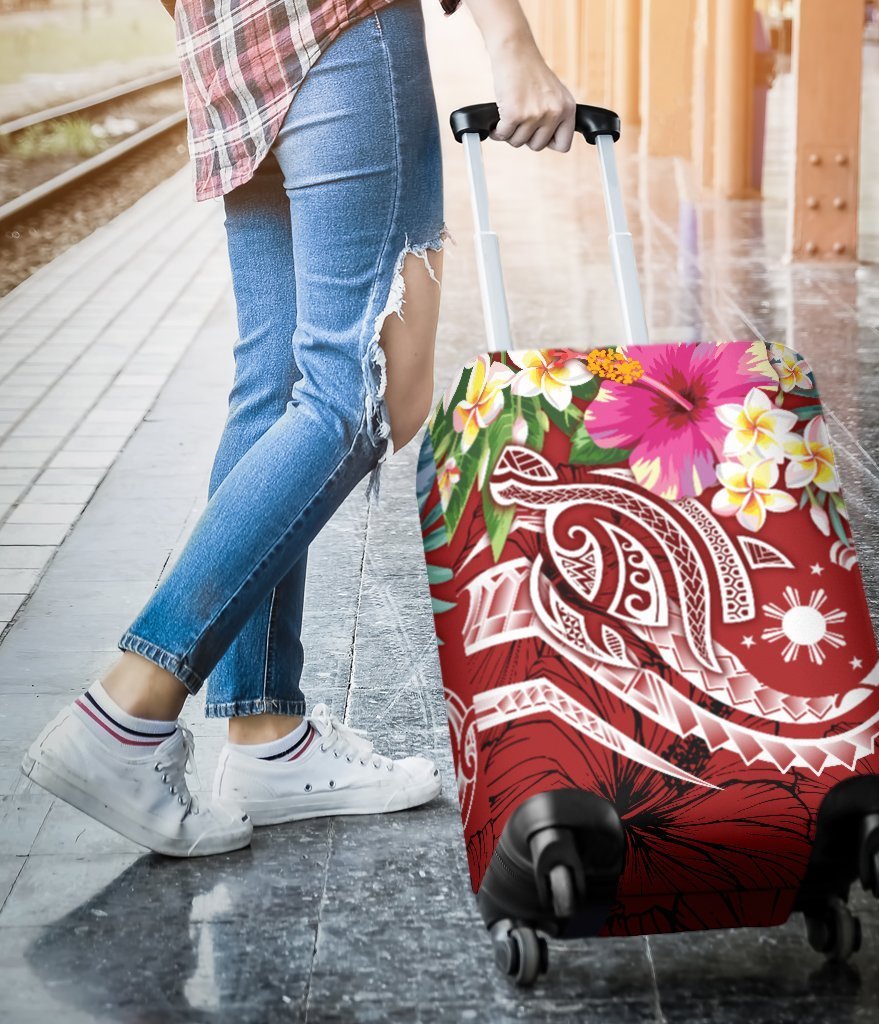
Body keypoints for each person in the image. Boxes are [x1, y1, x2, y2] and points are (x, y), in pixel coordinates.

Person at [21, 0, 576, 857]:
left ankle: (265, 735)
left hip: (228, 50)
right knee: (359, 391)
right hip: (341, 28)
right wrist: (512, 43)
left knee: (276, 385)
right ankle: (127, 711)